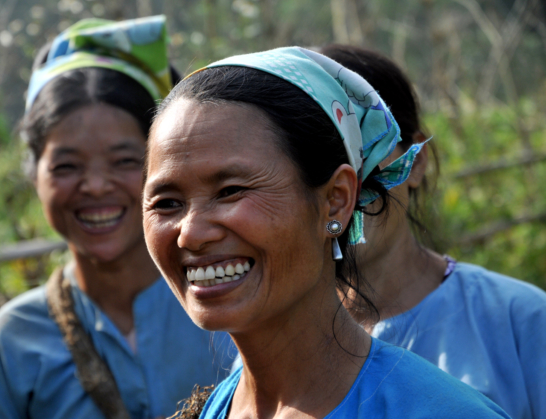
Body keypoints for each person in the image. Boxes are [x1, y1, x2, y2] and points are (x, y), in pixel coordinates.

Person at [141, 47, 510, 418]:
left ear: (336, 200)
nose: (190, 234)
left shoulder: (440, 411)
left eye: (230, 191)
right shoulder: (217, 408)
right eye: (167, 202)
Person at [0, 16, 235, 419]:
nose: (94, 186)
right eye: (67, 166)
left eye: (124, 161)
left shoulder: (228, 307)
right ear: (33, 174)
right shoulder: (14, 340)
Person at [319, 44, 546, 419]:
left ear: (416, 161)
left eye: (364, 153)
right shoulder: (275, 342)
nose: (342, 194)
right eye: (313, 167)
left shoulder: (519, 321)